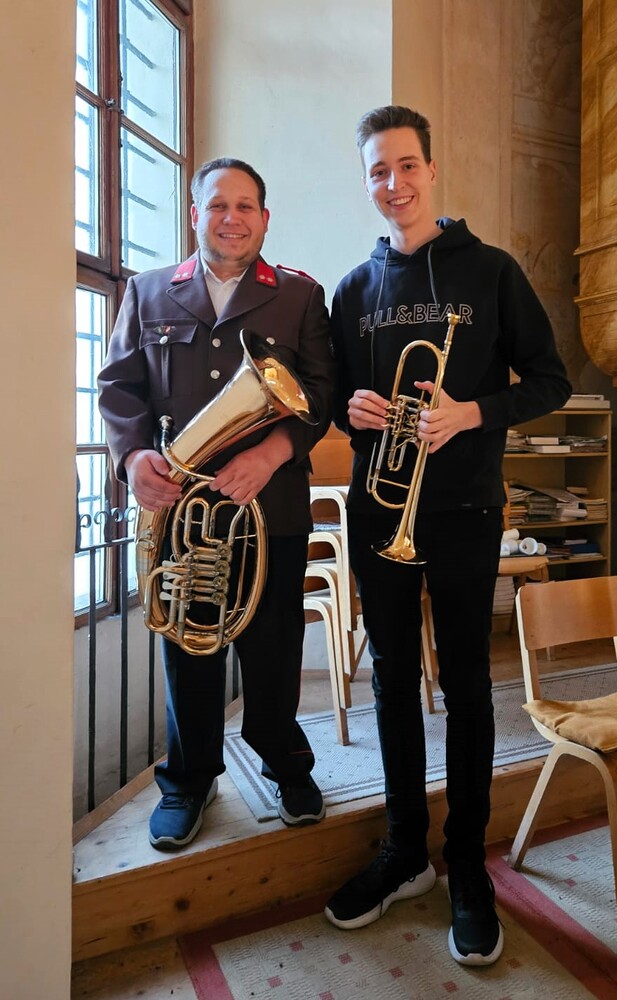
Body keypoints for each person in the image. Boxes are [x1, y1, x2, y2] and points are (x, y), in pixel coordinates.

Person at [324, 106, 571, 965]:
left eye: (405, 166)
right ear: (366, 182)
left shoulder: (491, 270)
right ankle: (404, 853)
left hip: (464, 509)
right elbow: (339, 397)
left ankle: (466, 863)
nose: (393, 183)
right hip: (380, 510)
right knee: (392, 683)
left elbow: (548, 380)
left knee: (466, 686)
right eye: (377, 171)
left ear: (430, 170)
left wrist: (470, 412)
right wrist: (351, 410)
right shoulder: (352, 290)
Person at [98, 157, 334, 849]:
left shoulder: (299, 294)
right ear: (194, 214)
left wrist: (270, 454)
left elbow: (320, 395)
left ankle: (285, 764)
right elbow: (118, 390)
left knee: (274, 648)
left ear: (264, 218)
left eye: (245, 206)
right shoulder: (147, 292)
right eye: (218, 205)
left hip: (272, 505)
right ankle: (189, 781)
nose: (232, 218)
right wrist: (132, 458)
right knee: (189, 649)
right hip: (182, 508)